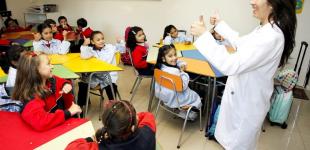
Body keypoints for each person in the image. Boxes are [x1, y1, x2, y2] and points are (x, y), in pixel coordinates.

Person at [190, 0, 297, 149]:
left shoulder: (271, 35)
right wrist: (220, 25)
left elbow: (230, 64)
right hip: (242, 100)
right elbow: (242, 43)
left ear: (273, 3)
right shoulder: (265, 29)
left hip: (246, 108)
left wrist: (203, 36)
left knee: (237, 145)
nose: (251, 2)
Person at [11, 52, 82, 131]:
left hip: (61, 124)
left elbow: (58, 80)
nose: (52, 66)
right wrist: (68, 112)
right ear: (35, 70)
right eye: (48, 64)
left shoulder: (49, 80)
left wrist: (65, 84)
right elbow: (41, 122)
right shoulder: (31, 97)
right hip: (52, 132)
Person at [65, 100, 156, 150]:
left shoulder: (100, 147)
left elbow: (70, 148)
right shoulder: (148, 130)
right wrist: (128, 118)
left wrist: (91, 139)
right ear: (133, 126)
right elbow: (147, 115)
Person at [155, 44, 202, 120]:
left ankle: (184, 110)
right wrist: (183, 72)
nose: (174, 58)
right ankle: (190, 114)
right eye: (170, 56)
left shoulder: (160, 67)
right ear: (163, 59)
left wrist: (181, 64)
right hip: (177, 98)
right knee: (197, 95)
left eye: (175, 54)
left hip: (164, 95)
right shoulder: (175, 72)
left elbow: (177, 61)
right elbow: (183, 86)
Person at [80, 31, 124, 100]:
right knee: (83, 84)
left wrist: (119, 42)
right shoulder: (91, 50)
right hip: (96, 76)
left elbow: (122, 50)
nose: (101, 41)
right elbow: (84, 56)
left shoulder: (110, 47)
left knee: (111, 86)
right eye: (98, 40)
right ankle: (81, 107)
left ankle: (113, 105)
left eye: (102, 39)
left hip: (109, 75)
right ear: (92, 42)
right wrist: (85, 45)